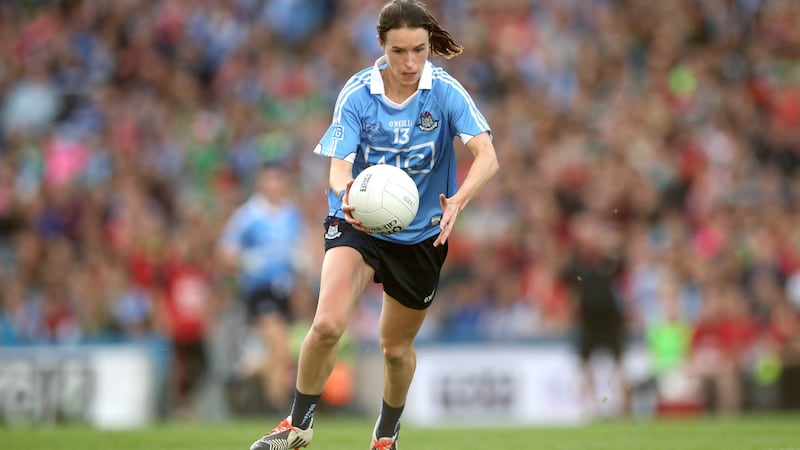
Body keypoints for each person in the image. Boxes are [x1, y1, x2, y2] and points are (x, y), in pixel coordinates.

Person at [248, 1, 499, 449]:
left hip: (421, 235)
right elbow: (337, 168)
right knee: (326, 325)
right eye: (399, 51)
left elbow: (487, 156)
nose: (409, 62)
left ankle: (386, 436)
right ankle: (298, 426)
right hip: (359, 222)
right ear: (381, 45)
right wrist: (346, 196)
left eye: (419, 50)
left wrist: (460, 198)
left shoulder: (444, 92)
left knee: (395, 350)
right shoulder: (357, 94)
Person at [218, 162, 308, 414]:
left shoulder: (291, 213)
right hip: (260, 290)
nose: (276, 186)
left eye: (280, 180)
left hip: (284, 291)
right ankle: (278, 408)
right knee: (280, 347)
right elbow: (225, 252)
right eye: (271, 180)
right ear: (262, 183)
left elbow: (299, 248)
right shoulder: (248, 216)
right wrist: (245, 260)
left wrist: (301, 264)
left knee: (278, 353)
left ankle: (243, 372)